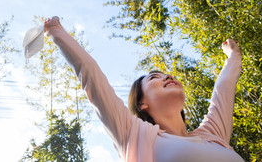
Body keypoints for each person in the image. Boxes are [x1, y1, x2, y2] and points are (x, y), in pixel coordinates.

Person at [44, 16, 244, 162]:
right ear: (142, 104)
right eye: (154, 78)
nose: (168, 76)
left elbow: (223, 91)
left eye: (167, 75)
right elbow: (92, 77)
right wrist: (56, 31)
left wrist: (233, 57)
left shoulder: (212, 134)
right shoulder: (133, 134)